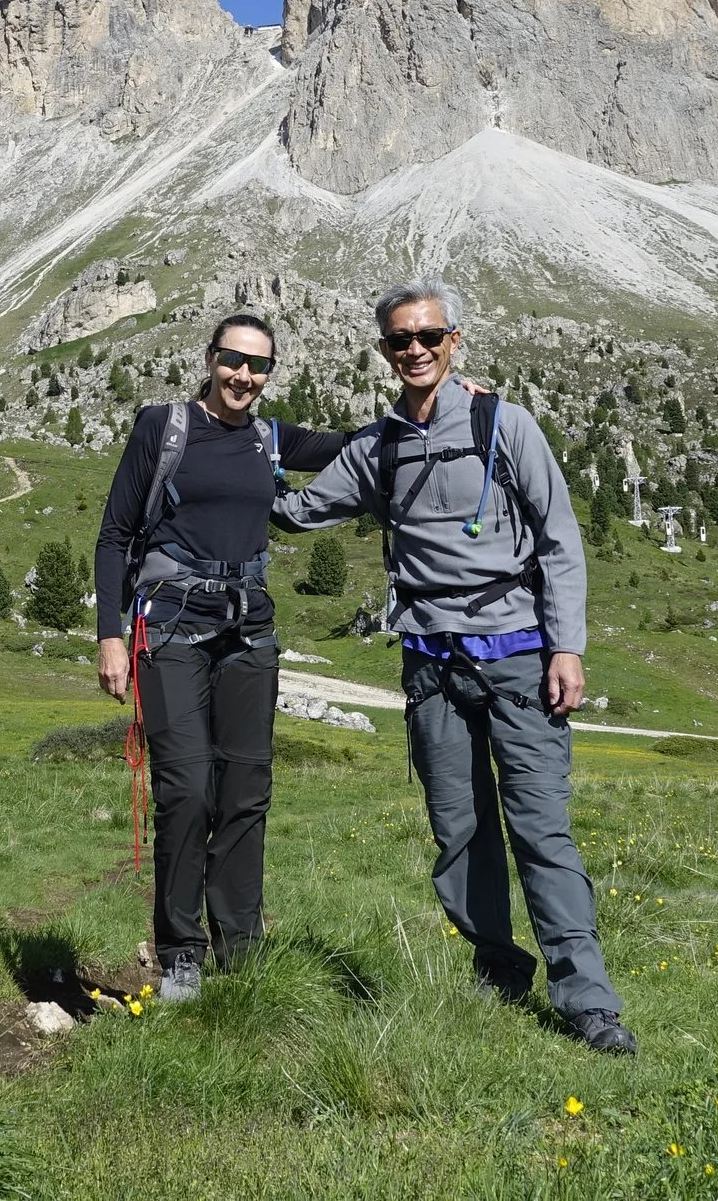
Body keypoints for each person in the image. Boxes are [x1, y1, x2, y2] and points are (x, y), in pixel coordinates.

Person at [270, 281, 636, 1055]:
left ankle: (589, 1002)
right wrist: (231, 441)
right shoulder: (379, 446)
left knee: (541, 829)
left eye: (428, 336)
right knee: (460, 830)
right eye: (400, 339)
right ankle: (498, 971)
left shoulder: (505, 423)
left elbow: (561, 538)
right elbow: (300, 511)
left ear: (454, 340)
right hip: (431, 664)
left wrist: (566, 646)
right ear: (384, 351)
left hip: (519, 658)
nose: (415, 349)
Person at [92, 313, 349, 1003]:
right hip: (169, 628)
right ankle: (180, 953)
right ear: (210, 358)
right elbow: (115, 534)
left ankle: (240, 953)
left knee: (245, 791)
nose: (244, 375)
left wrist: (434, 405)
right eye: (233, 360)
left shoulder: (270, 437)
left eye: (259, 365)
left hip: (249, 633)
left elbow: (351, 444)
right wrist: (109, 633)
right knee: (187, 791)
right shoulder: (164, 426)